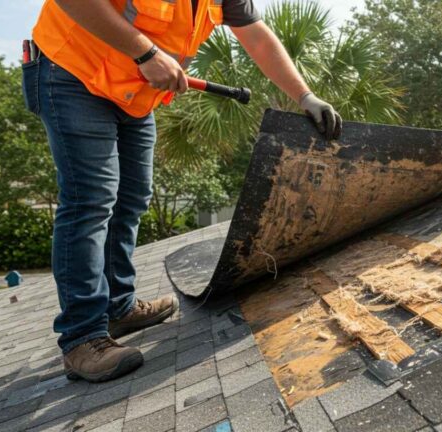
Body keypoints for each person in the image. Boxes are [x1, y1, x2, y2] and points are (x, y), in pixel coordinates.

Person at [23, 0, 342, 383]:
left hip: (132, 93)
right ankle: (82, 338)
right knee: (91, 201)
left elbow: (256, 36)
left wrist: (304, 95)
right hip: (72, 73)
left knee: (132, 198)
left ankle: (118, 308)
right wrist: (146, 51)